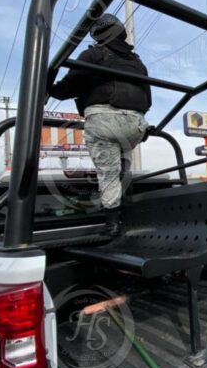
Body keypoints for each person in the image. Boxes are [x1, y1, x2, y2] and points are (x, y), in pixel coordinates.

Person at [49, 14, 151, 237]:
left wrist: (50, 88)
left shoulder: (93, 54)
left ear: (96, 34)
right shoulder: (138, 63)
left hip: (104, 121)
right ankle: (125, 194)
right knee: (121, 166)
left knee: (108, 174)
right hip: (136, 125)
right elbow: (148, 100)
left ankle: (112, 224)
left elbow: (68, 86)